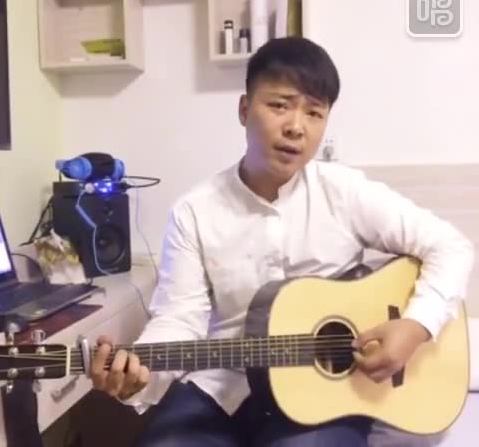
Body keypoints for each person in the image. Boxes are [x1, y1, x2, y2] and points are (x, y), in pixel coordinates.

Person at [90, 37, 474, 447]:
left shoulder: (344, 191)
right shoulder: (193, 211)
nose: (296, 126)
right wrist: (138, 373)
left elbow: (450, 247)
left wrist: (416, 326)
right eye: (279, 105)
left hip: (326, 394)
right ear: (244, 109)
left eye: (314, 113)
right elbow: (178, 318)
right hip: (223, 386)